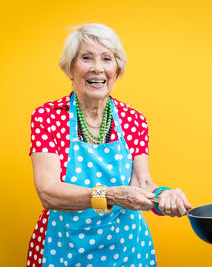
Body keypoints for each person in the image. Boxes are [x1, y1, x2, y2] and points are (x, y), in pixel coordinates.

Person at [26, 23, 192, 267]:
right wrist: (110, 195)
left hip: (126, 249)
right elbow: (48, 192)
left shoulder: (133, 120)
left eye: (107, 58)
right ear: (70, 68)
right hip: (64, 247)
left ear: (117, 69)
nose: (97, 68)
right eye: (86, 58)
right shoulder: (48, 117)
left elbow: (141, 183)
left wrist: (163, 196)